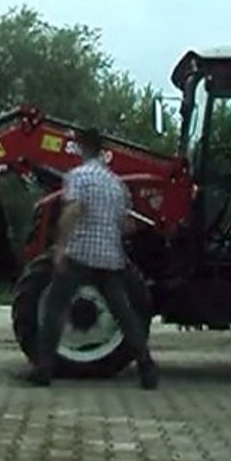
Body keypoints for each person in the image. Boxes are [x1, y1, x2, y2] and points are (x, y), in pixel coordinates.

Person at [29, 127, 159, 389]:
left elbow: (73, 210)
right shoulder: (116, 184)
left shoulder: (78, 177)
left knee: (55, 307)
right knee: (124, 314)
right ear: (102, 151)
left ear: (81, 148)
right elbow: (128, 226)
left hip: (80, 257)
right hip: (111, 259)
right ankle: (147, 367)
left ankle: (43, 370)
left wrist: (61, 246)